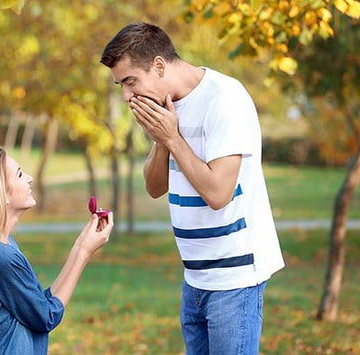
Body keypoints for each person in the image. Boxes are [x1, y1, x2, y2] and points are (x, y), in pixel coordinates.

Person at [100, 23, 284, 354]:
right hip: (195, 279)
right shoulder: (164, 107)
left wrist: (172, 137)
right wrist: (162, 140)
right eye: (121, 85)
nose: (127, 96)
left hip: (235, 279)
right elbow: (154, 186)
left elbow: (218, 194)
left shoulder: (224, 99)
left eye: (130, 82)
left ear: (158, 66)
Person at [0, 145, 113, 354]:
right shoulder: (0, 257)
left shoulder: (0, 247)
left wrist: (81, 244)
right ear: (1, 194)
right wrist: (84, 252)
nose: (30, 177)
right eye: (19, 174)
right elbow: (46, 316)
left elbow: (37, 306)